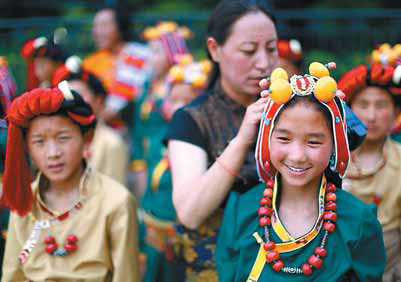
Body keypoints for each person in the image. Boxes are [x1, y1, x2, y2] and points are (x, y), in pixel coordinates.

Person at [216, 63, 385, 281]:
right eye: (284, 138)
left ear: (335, 144)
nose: (297, 155)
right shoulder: (241, 212)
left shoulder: (358, 222)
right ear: (266, 137)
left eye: (313, 142)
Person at [164, 0, 278, 279]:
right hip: (217, 267)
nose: (263, 63)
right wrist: (241, 140)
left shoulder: (291, 109)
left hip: (286, 263)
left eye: (271, 49)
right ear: (215, 49)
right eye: (249, 51)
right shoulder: (192, 119)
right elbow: (189, 212)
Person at [0, 82, 139, 281]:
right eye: (39, 141)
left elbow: (126, 277)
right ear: (27, 148)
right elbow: (12, 275)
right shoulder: (23, 201)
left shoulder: (116, 202)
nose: (53, 153)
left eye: (63, 138)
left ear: (87, 138)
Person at [139, 58, 211, 282]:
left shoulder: (207, 143)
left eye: (188, 100)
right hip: (154, 227)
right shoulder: (158, 136)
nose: (180, 106)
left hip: (187, 235)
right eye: (174, 99)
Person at [338, 62, 401, 282]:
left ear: (396, 114)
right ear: (348, 110)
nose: (371, 116)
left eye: (381, 105)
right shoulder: (330, 158)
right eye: (363, 105)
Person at [131, 21, 193, 198]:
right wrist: (138, 165)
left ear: (172, 53)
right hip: (148, 162)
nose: (150, 57)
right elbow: (138, 129)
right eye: (149, 51)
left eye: (156, 52)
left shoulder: (187, 87)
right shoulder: (147, 86)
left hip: (174, 164)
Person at [52, 56, 129, 185]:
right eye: (67, 95)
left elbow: (114, 197)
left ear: (98, 101)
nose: (72, 101)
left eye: (79, 94)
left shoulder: (111, 143)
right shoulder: (56, 141)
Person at [83, 6, 151, 128]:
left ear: (120, 26)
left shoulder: (140, 55)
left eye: (104, 25)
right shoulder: (90, 63)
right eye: (95, 26)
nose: (97, 32)